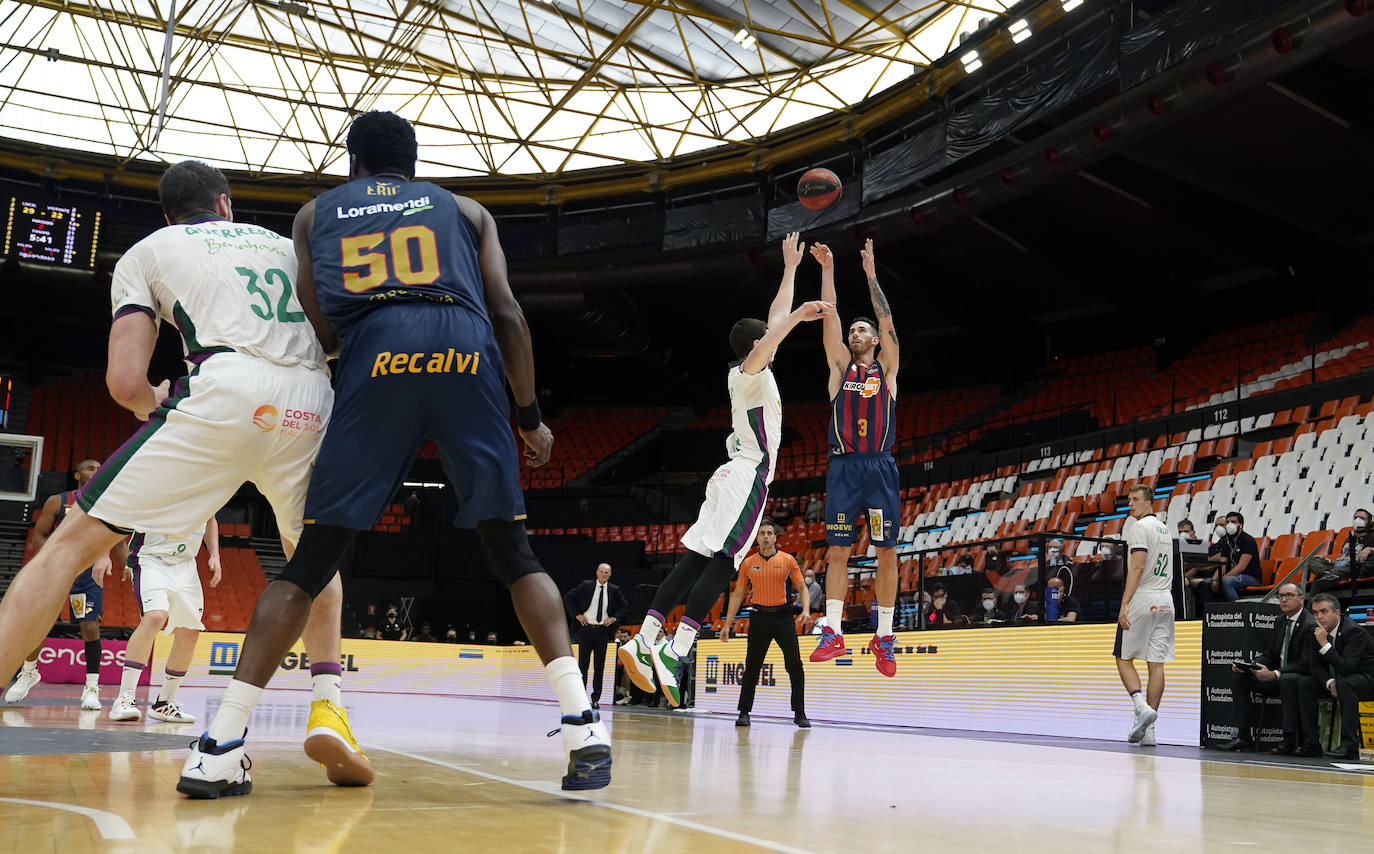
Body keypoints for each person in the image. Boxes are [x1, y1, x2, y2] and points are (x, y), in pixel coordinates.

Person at [181, 112, 610, 796]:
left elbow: (311, 308)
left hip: (377, 348)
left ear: (353, 164)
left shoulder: (314, 215)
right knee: (512, 551)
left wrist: (350, 354)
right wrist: (528, 415)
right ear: (415, 163)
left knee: (313, 558)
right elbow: (508, 313)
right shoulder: (466, 209)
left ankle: (217, 745)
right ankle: (585, 733)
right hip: (465, 343)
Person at [0, 160, 369, 792]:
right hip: (313, 399)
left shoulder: (149, 251)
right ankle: (330, 702)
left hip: (224, 390)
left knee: (65, 550)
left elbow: (123, 381)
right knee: (312, 557)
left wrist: (153, 404)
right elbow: (333, 332)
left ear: (170, 214)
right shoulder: (284, 245)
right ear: (226, 204)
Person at [616, 233, 833, 708]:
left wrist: (791, 269)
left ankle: (644, 639)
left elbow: (773, 320)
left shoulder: (747, 369)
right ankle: (677, 651)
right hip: (748, 476)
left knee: (695, 560)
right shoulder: (748, 371)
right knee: (724, 563)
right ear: (756, 345)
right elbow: (770, 336)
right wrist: (797, 318)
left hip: (729, 475)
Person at [809, 239, 903, 676]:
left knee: (886, 551)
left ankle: (884, 637)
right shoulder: (839, 370)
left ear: (874, 340)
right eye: (853, 331)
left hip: (879, 466)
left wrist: (870, 274)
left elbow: (885, 318)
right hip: (844, 467)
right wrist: (828, 268)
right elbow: (829, 315)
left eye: (861, 331)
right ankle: (832, 629)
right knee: (837, 551)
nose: (855, 334)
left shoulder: (887, 370)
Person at [4, 459, 120, 710]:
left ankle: (91, 687)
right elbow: (38, 535)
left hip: (86, 575)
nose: (96, 471)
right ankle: (29, 672)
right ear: (77, 475)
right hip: (56, 572)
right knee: (38, 623)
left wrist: (128, 566)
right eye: (90, 468)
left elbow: (118, 538)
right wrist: (57, 560)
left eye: (100, 469)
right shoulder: (58, 501)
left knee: (90, 627)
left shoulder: (109, 505)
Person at [109, 517, 221, 724]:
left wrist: (214, 554)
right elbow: (120, 515)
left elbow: (211, 518)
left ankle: (165, 703)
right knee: (155, 616)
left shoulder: (210, 487)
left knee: (190, 631)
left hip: (186, 563)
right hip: (150, 557)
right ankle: (124, 698)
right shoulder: (156, 484)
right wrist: (100, 554)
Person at [720, 520, 810, 728]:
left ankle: (800, 712)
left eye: (770, 533)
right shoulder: (748, 562)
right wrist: (727, 624)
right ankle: (743, 712)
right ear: (757, 537)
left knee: (795, 664)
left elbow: (802, 588)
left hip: (783, 617)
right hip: (759, 617)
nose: (766, 536)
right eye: (762, 533)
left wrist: (805, 610)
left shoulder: (788, 560)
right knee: (752, 665)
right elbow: (738, 595)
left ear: (775, 537)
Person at [1215, 582, 1319, 754]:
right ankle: (1243, 737)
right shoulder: (1280, 621)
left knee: (1286, 679)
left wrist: (1275, 674)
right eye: (1281, 596)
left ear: (1301, 599)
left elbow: (1305, 663)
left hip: (1299, 677)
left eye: (1288, 596)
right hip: (1277, 676)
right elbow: (1271, 653)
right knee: (1239, 678)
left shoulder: (1309, 624)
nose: (1283, 600)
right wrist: (1252, 665)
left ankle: (1289, 740)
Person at [1114, 485, 1175, 747]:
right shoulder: (1165, 529)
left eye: (1136, 500)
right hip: (1166, 601)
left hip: (1145, 597)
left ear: (1150, 503)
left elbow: (1137, 567)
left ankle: (1140, 706)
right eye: (1129, 500)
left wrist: (1125, 602)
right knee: (1156, 664)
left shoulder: (1139, 527)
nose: (1131, 505)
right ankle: (1149, 731)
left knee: (1122, 656)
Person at [1298, 593, 1374, 760]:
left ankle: (1349, 746)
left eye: (1324, 612)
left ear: (1337, 612)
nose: (1319, 617)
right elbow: (1314, 665)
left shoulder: (1353, 631)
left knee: (1346, 683)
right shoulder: (1315, 631)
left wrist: (1324, 644)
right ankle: (1311, 744)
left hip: (1366, 680)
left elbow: (1347, 667)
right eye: (1315, 613)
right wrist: (1329, 682)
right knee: (1304, 683)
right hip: (1337, 681)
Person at [562, 563, 627, 709]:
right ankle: (580, 697)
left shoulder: (613, 589)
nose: (604, 574)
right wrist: (576, 614)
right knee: (582, 666)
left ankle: (595, 699)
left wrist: (614, 618)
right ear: (597, 573)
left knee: (599, 667)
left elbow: (624, 606)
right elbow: (568, 597)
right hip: (585, 630)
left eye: (607, 572)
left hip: (602, 632)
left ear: (610, 574)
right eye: (602, 572)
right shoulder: (586, 585)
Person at [1195, 512, 1260, 605]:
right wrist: (1215, 579)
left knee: (1225, 582)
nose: (1230, 525)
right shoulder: (1227, 543)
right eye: (1228, 522)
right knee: (1206, 583)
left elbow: (1241, 567)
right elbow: (1223, 565)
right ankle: (1213, 612)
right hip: (1233, 577)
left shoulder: (1248, 541)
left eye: (1233, 522)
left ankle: (1237, 611)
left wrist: (1222, 580)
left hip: (1250, 577)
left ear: (1240, 525)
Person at [1313, 508, 1374, 592]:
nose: (1358, 520)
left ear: (1369, 521)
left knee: (1318, 581)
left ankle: (1328, 575)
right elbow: (1343, 559)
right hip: (1342, 566)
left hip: (1355, 567)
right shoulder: (1349, 538)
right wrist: (1330, 562)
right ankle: (1327, 574)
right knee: (1313, 561)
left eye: (1362, 518)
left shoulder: (1372, 537)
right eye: (1355, 518)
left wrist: (1370, 548)